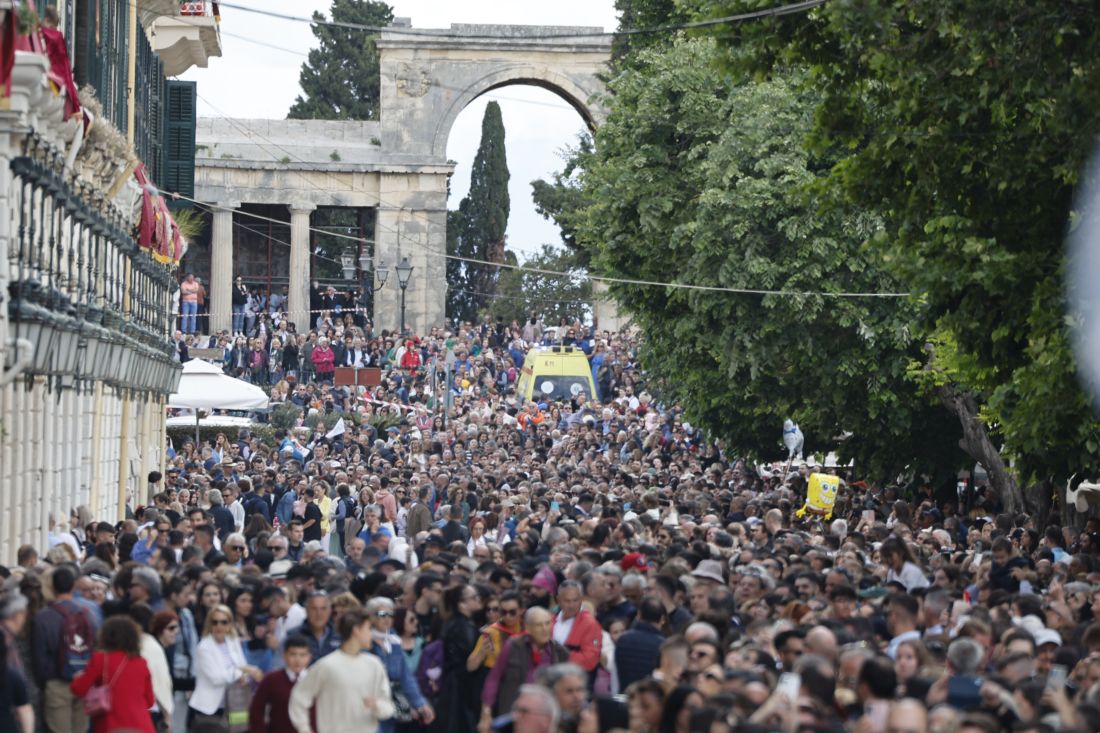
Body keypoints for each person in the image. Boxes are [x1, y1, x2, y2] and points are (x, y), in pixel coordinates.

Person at [288, 606, 395, 733]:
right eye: (368, 629)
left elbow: (388, 706)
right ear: (356, 630)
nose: (370, 634)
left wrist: (376, 705)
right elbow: (299, 698)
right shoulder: (326, 666)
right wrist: (304, 729)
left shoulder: (374, 664)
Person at [32, 564, 98, 733]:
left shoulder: (43, 617)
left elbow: (39, 658)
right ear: (74, 585)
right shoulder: (87, 613)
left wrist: (46, 681)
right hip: (83, 680)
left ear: (52, 587)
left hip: (57, 682)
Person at [70, 616, 155, 733]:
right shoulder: (141, 662)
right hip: (142, 726)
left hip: (112, 726)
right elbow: (149, 701)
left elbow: (79, 689)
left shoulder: (101, 659)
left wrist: (78, 678)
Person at [364, 596, 434, 732]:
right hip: (370, 702)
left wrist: (420, 703)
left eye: (391, 614)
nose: (387, 618)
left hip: (392, 703)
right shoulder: (363, 640)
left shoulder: (394, 640)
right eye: (382, 614)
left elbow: (405, 675)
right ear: (371, 616)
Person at [189, 603, 263, 726]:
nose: (219, 626)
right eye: (215, 622)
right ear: (210, 624)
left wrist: (244, 672)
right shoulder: (204, 647)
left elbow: (242, 667)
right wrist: (243, 671)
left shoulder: (233, 640)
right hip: (210, 709)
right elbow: (217, 678)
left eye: (224, 622)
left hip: (234, 704)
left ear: (229, 624)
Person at [249, 633, 312, 733]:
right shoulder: (271, 679)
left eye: (303, 655)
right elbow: (256, 710)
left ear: (309, 657)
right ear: (285, 655)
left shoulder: (315, 680)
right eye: (293, 654)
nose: (298, 660)